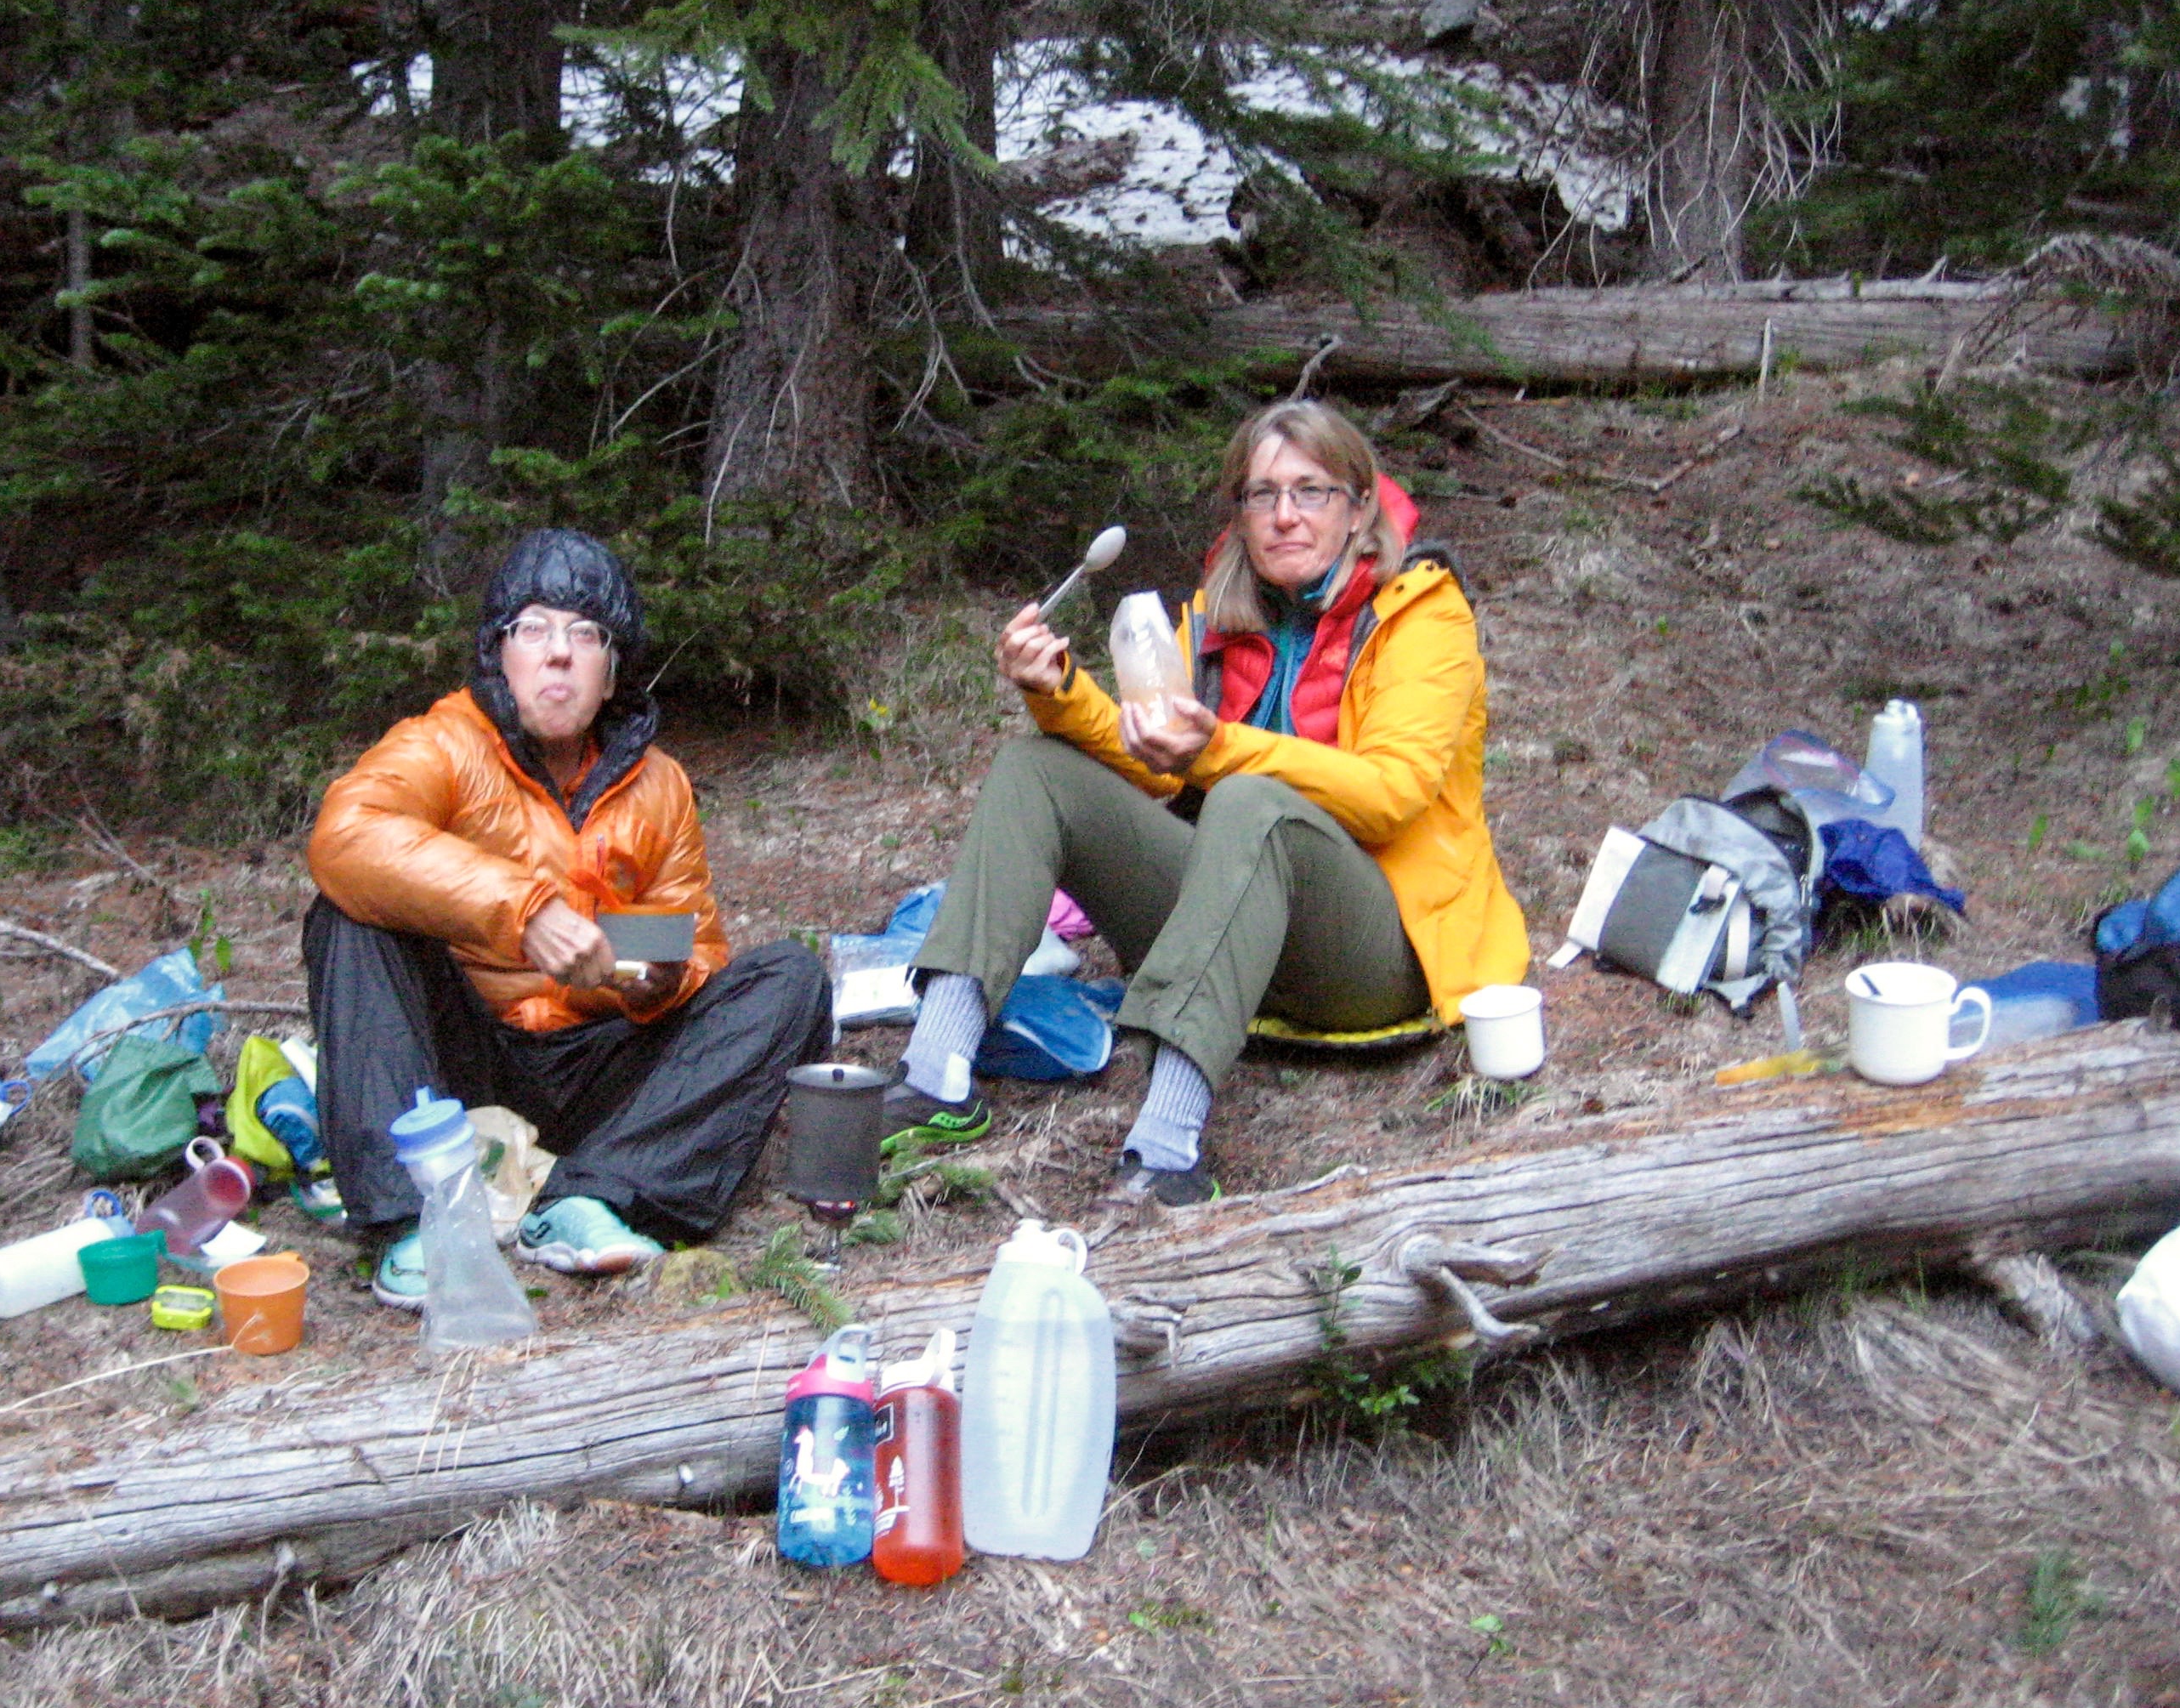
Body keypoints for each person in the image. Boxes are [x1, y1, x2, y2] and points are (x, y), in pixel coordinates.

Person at [882, 398, 1528, 1205]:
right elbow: (1158, 764)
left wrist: (1220, 750)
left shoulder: (1422, 615)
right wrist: (1061, 692)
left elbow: (1391, 796)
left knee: (1250, 799)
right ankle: (940, 1072)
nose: (1285, 516)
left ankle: (1168, 1142)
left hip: (1375, 951)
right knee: (1033, 766)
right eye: (1263, 495)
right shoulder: (1220, 617)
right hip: (1232, 930)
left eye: (1311, 491)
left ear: (1360, 508)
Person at [304, 529, 830, 1292]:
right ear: (499, 655)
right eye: (534, 629)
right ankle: (415, 1222)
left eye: (587, 635)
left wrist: (647, 979)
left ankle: (593, 1196)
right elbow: (346, 836)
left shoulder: (660, 785)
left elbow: (695, 942)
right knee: (347, 914)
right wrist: (526, 911)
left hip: (603, 1068)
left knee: (791, 978)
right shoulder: (445, 745)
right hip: (463, 1059)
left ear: (612, 675)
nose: (559, 654)